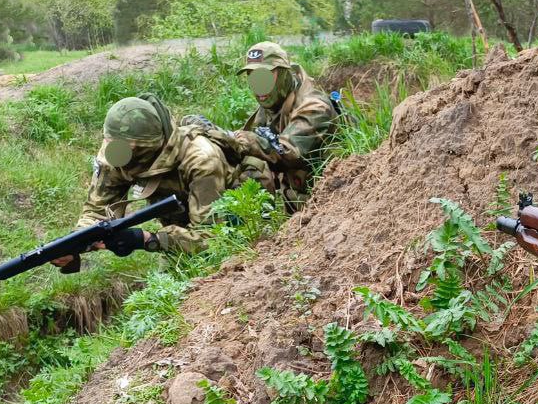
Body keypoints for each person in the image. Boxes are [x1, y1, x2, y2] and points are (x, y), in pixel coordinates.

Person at [53, 93, 259, 267]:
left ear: (148, 148)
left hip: (232, 219)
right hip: (180, 224)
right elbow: (97, 210)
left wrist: (147, 239)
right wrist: (76, 242)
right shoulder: (116, 153)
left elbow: (215, 240)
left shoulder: (201, 160)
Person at [232, 41, 336, 211]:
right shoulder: (273, 103)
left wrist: (240, 139)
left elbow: (287, 152)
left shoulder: (314, 106)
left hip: (330, 202)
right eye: (253, 78)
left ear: (282, 74)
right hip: (295, 194)